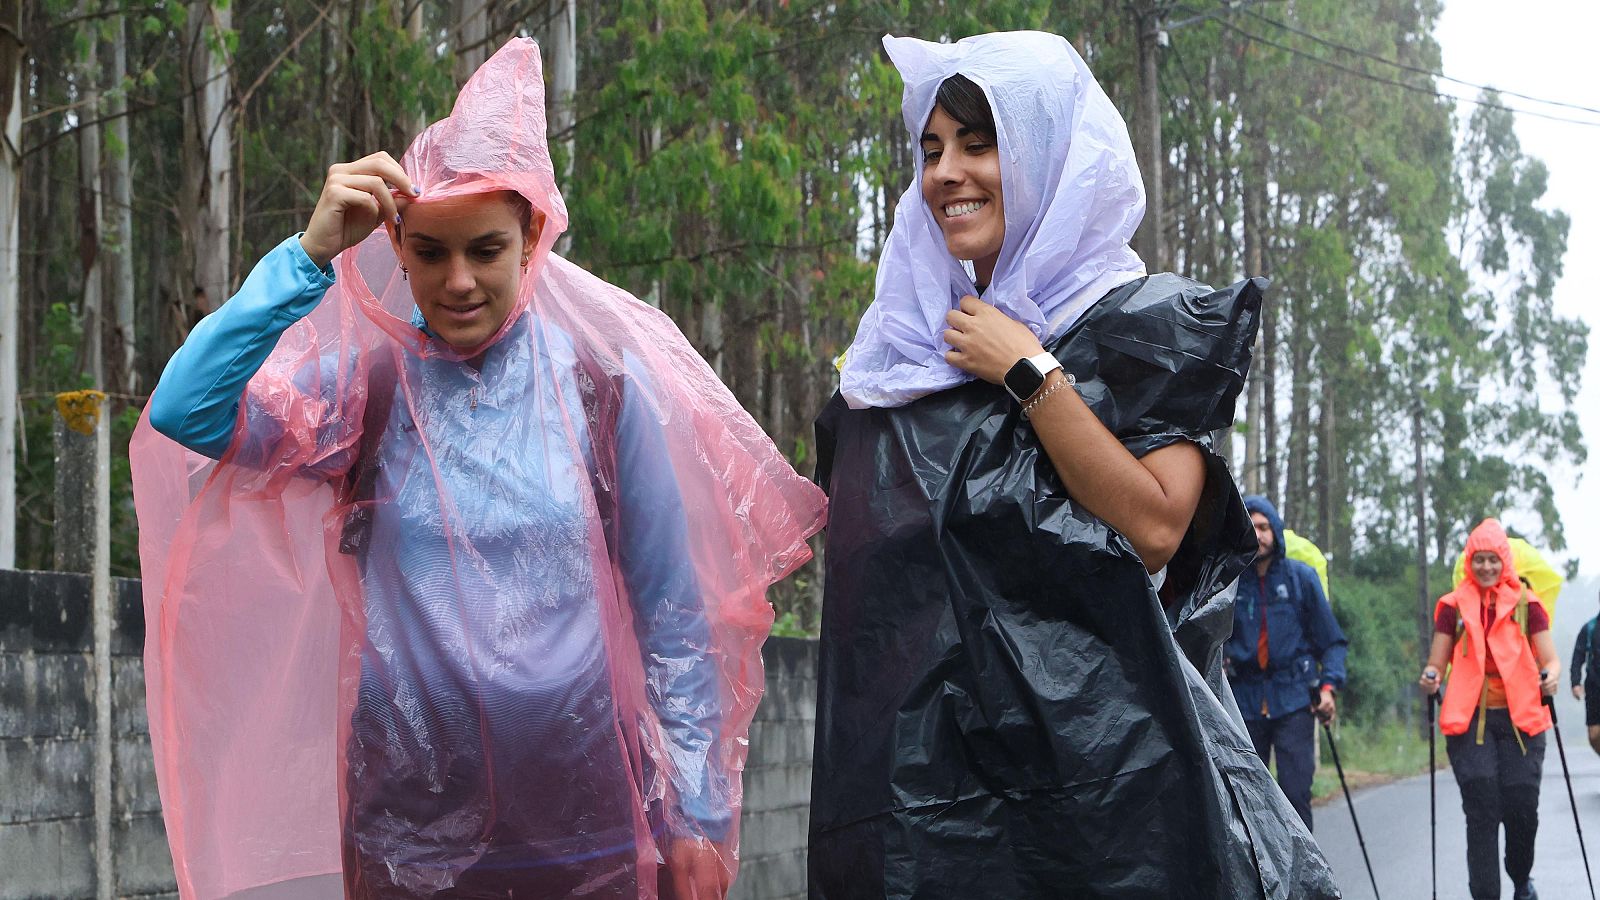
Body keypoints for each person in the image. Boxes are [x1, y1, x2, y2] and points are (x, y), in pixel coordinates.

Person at [132, 38, 826, 900]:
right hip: (406, 829)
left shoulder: (598, 384)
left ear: (533, 235)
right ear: (397, 242)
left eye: (485, 250)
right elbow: (186, 410)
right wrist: (307, 257)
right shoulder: (370, 388)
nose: (458, 281)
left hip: (585, 821)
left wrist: (698, 817)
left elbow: (674, 618)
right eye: (428, 253)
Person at [807, 31, 1337, 899]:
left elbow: (1160, 525)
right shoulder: (903, 358)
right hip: (936, 817)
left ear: (1051, 157)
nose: (946, 174)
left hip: (1113, 805)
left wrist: (1028, 371)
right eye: (932, 150)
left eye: (980, 145)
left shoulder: (1143, 325)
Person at [1420, 518, 1559, 900]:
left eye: (1493, 560)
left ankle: (1520, 878)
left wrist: (1551, 676)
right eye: (1478, 559)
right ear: (1469, 561)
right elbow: (1437, 660)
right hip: (1469, 722)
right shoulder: (1452, 606)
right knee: (1482, 806)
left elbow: (1551, 659)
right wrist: (1431, 676)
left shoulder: (1528, 604)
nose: (1485, 567)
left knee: (1522, 804)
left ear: (1505, 562)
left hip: (1522, 721)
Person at [1223, 495, 1349, 830]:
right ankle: (1257, 879)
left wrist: (1329, 687)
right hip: (1244, 701)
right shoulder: (1229, 582)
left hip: (1295, 697)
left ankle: (1303, 880)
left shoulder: (1301, 579)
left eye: (1264, 526)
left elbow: (1332, 642)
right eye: (1251, 526)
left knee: (1295, 793)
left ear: (1275, 531)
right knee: (1247, 799)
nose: (1258, 534)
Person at [1573, 592, 1600, 754]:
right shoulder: (1590, 628)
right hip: (1594, 687)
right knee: (1594, 735)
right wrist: (1575, 682)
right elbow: (1578, 656)